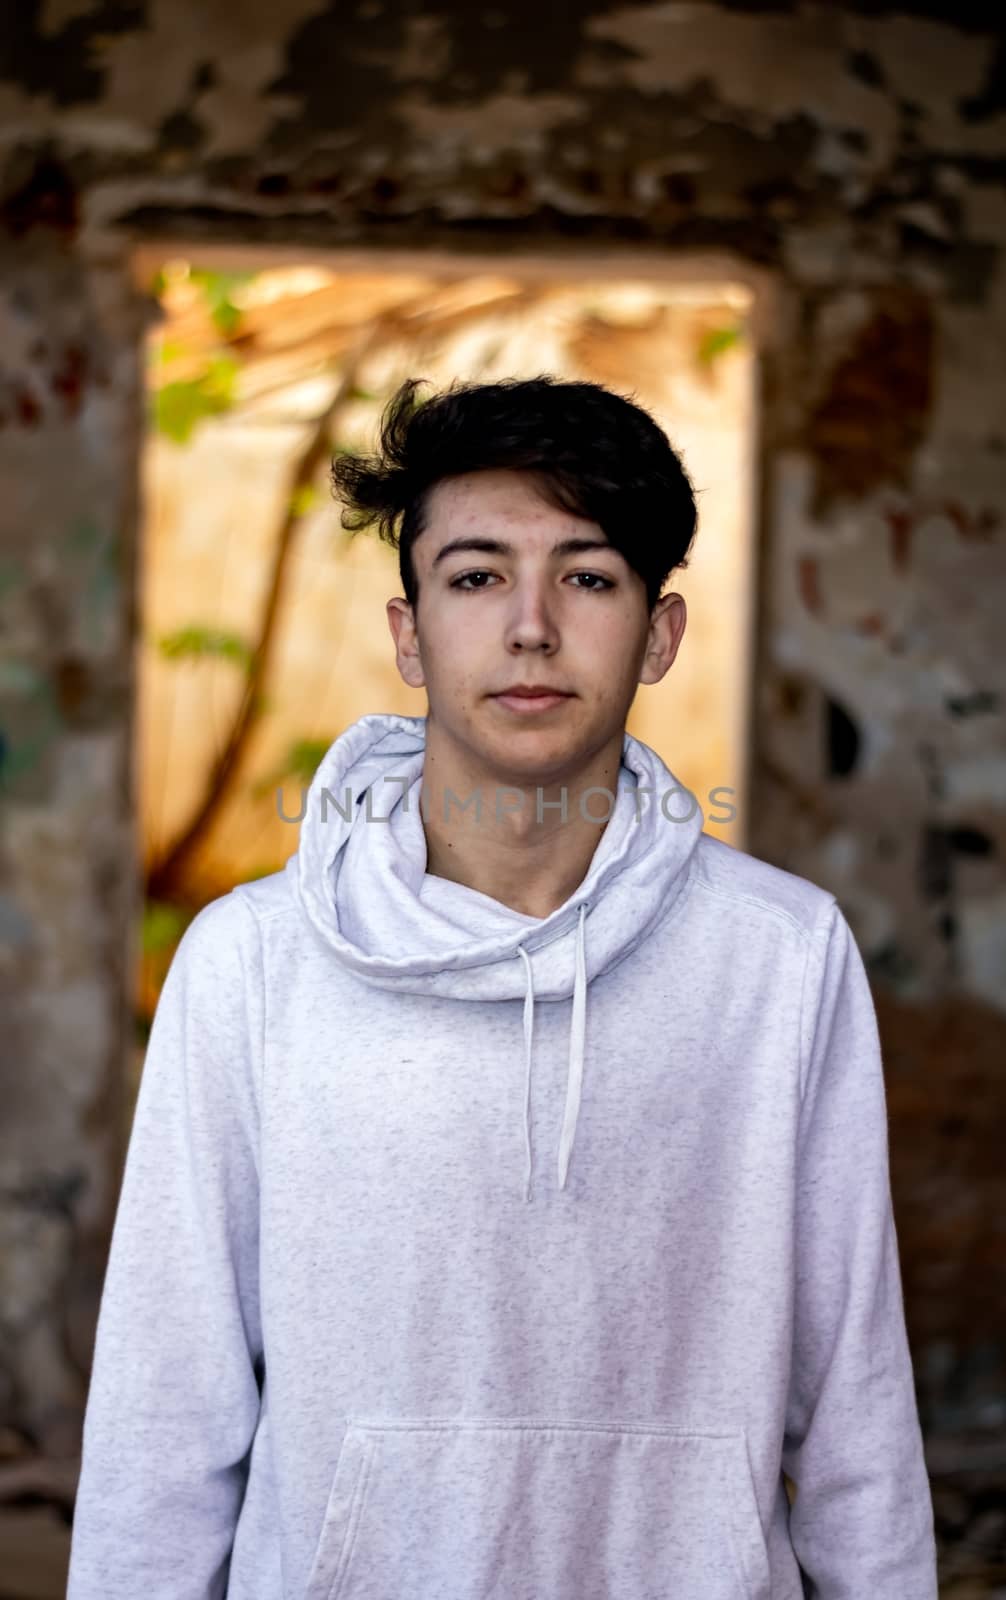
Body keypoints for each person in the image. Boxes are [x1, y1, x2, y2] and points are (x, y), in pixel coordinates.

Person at [67, 375, 938, 1599]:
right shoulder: (252, 960)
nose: (530, 626)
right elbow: (167, 1401)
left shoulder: (781, 954)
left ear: (660, 630)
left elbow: (854, 1396)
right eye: (476, 576)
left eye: (586, 577)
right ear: (410, 632)